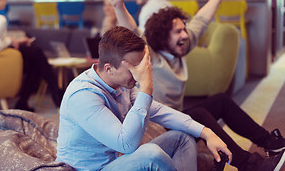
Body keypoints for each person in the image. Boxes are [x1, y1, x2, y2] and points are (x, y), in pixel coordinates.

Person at [107, 0, 285, 171]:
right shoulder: (150, 56)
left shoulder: (181, 46)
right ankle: (249, 164)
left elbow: (202, 18)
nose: (185, 35)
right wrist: (118, 5)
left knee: (220, 100)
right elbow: (133, 30)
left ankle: (270, 143)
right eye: (178, 32)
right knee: (199, 114)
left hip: (177, 118)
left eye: (184, 30)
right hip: (156, 126)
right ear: (163, 37)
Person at [56, 25, 232, 171]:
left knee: (182, 138)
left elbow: (159, 111)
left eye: (141, 66)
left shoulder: (121, 84)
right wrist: (146, 87)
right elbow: (126, 144)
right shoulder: (82, 95)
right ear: (109, 68)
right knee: (152, 155)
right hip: (92, 169)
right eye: (133, 68)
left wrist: (206, 132)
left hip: (115, 161)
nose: (139, 74)